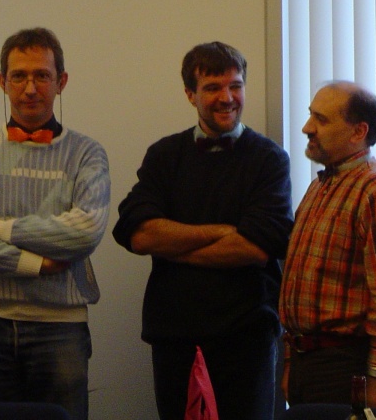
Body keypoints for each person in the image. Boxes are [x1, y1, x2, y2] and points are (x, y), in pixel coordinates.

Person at [113, 41, 293, 420]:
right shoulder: (164, 155)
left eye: (235, 86)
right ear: (190, 94)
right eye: (212, 88)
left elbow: (256, 249)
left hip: (247, 339)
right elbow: (140, 235)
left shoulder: (269, 158)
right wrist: (225, 231)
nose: (227, 98)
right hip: (175, 336)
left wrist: (173, 245)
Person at [0, 27, 110, 420]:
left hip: (60, 328)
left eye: (42, 76)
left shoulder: (87, 154)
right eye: (19, 76)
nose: (30, 88)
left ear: (61, 82)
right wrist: (35, 263)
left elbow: (84, 231)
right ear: (2, 82)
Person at [279, 81, 376, 411]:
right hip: (306, 363)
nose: (307, 127)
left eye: (321, 119)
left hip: (349, 366)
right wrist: (290, 363)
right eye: (310, 115)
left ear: (359, 131)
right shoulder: (321, 187)